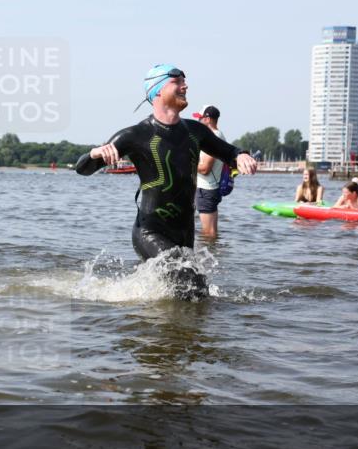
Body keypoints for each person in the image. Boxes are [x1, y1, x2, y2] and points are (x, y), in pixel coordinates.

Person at [75, 64, 257, 299]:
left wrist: (240, 154)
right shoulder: (135, 135)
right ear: (158, 90)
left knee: (188, 293)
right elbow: (83, 169)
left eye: (185, 81)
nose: (185, 85)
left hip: (184, 232)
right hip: (150, 231)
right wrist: (93, 154)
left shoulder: (195, 131)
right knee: (193, 284)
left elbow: (228, 151)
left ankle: (152, 318)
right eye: (178, 81)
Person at [193, 105, 227, 238]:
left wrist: (185, 161)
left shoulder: (214, 137)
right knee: (212, 231)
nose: (198, 121)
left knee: (208, 232)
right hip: (211, 189)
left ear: (207, 119)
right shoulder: (218, 135)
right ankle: (214, 253)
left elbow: (205, 169)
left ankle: (208, 255)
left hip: (206, 189)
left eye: (200, 118)